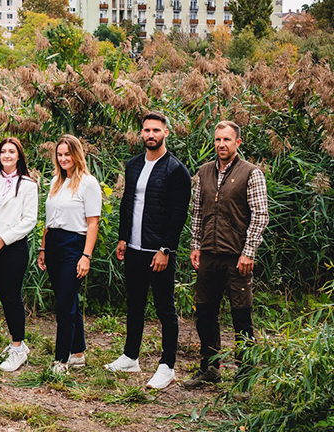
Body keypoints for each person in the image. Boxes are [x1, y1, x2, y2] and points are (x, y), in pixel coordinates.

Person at [106, 112, 191, 390]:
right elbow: (126, 203)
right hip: (133, 249)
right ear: (140, 134)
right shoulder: (132, 165)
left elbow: (178, 214)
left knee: (165, 308)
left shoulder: (176, 170)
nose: (150, 134)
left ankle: (167, 366)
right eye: (146, 130)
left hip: (159, 252)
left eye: (156, 130)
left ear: (166, 132)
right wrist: (122, 238)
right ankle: (131, 356)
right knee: (135, 304)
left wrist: (166, 249)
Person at [184, 121, 269, 388]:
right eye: (218, 139)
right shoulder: (204, 172)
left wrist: (248, 252)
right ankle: (210, 368)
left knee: (241, 316)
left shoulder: (251, 173)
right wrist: (195, 245)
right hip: (209, 254)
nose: (222, 144)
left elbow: (260, 215)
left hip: (237, 257)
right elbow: (197, 212)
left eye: (227, 140)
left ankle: (244, 376)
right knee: (205, 312)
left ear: (238, 143)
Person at [37, 135, 102, 374]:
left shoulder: (88, 183)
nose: (63, 159)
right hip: (53, 243)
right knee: (69, 300)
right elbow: (49, 221)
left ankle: (61, 359)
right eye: (60, 154)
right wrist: (43, 248)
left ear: (77, 155)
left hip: (74, 243)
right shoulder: (56, 181)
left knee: (64, 305)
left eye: (68, 154)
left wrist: (86, 256)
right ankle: (78, 352)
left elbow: (93, 223)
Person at [0, 137, 38, 371]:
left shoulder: (28, 185)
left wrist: (4, 238)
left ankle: (17, 347)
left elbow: (29, 220)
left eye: (12, 152)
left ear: (19, 156)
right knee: (2, 295)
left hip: (12, 246)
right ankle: (17, 340)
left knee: (12, 297)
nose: (7, 156)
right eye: (3, 152)